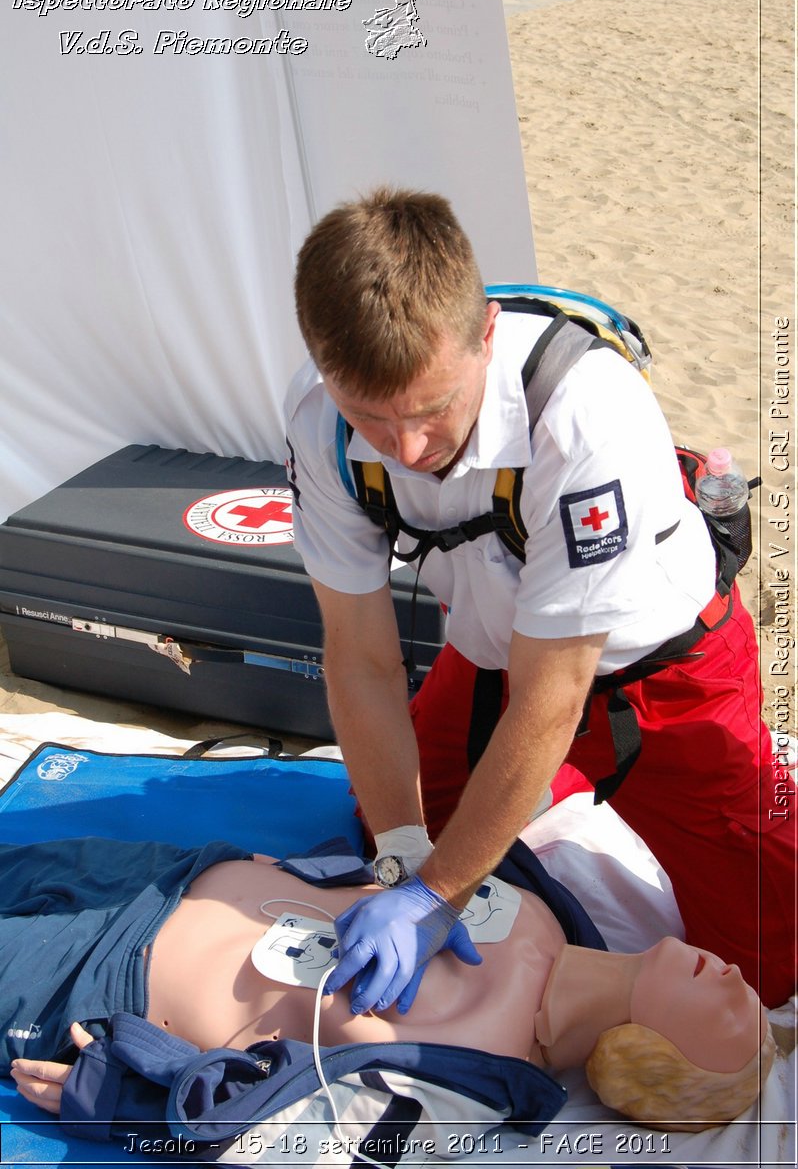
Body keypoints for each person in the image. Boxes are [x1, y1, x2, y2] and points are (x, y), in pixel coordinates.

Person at [284, 186, 796, 1012]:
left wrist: (436, 894)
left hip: (660, 674)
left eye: (432, 408)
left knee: (771, 960)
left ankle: (549, 786)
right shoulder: (318, 424)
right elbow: (362, 658)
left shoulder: (585, 411)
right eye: (369, 417)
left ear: (486, 333)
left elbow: (552, 698)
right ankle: (536, 790)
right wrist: (404, 864)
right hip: (490, 656)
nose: (408, 449)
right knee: (389, 830)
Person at [6, 837, 774, 1133]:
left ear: (656, 1053)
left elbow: (293, 1138)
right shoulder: (557, 909)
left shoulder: (480, 1081)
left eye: (729, 1010)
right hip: (172, 872)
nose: (736, 976)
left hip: (92, 984)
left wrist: (129, 1096)